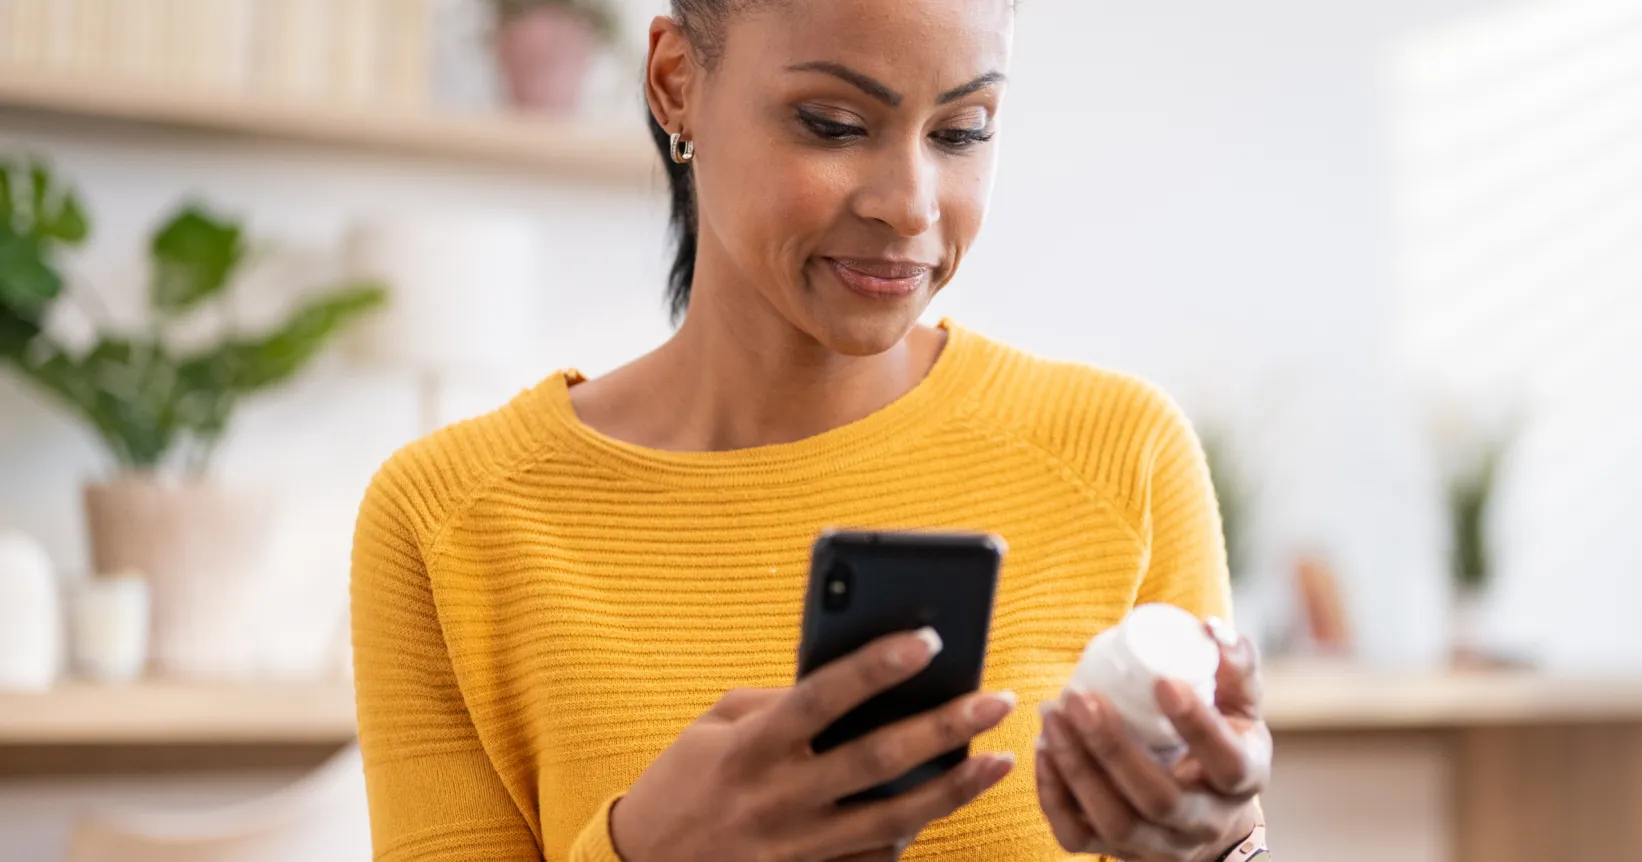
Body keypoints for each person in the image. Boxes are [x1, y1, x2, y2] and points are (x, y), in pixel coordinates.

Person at [349, 0, 1273, 859]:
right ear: (677, 83)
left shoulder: (1123, 454)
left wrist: (1223, 845)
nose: (910, 205)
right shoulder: (448, 521)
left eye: (962, 132)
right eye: (833, 124)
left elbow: (1219, 832)